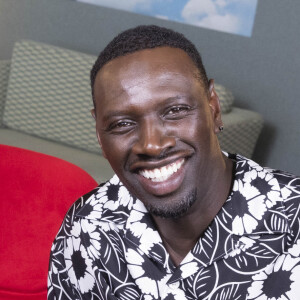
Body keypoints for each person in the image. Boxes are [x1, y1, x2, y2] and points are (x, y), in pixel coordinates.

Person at [48, 25, 300, 300]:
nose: (152, 145)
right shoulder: (89, 224)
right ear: (99, 133)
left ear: (213, 108)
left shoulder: (292, 226)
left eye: (176, 110)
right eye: (122, 124)